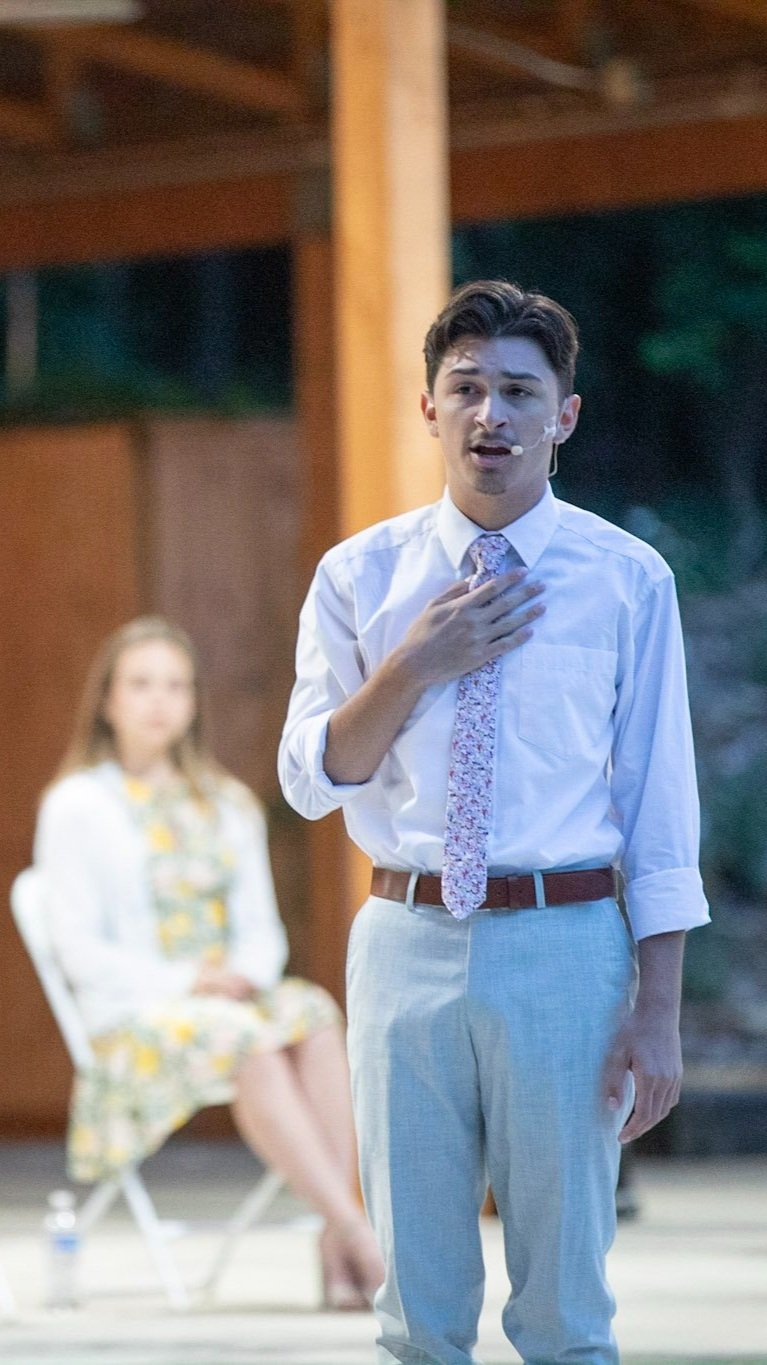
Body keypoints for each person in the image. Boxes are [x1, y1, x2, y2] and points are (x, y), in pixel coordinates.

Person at [278, 279, 709, 1364]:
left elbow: (659, 810)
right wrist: (418, 663)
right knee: (415, 1317)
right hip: (402, 941)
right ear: (427, 407)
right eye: (464, 388)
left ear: (562, 414)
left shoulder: (625, 580)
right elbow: (309, 777)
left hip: (565, 951)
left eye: (518, 391)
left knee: (565, 1313)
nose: (490, 415)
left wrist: (656, 1010)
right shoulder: (357, 577)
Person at [34, 616, 384, 1310]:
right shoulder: (75, 806)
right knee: (246, 1039)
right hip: (140, 1013)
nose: (158, 700)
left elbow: (260, 929)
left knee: (314, 1014)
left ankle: (333, 1237)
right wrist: (185, 982)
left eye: (175, 685)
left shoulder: (225, 803)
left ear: (194, 702)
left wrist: (244, 976)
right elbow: (80, 949)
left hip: (231, 999)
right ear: (106, 700)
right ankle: (355, 1235)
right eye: (140, 684)